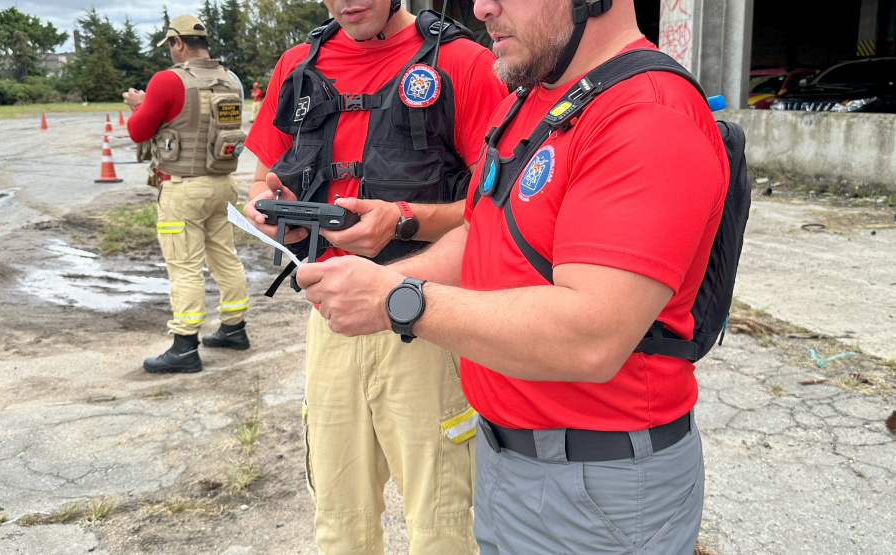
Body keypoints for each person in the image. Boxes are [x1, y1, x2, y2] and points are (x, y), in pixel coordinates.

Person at [292, 0, 729, 553]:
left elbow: (591, 335)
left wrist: (401, 299)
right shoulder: (536, 100)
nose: (482, 7)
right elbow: (481, 235)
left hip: (597, 483)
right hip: (506, 458)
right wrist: (371, 280)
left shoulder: (647, 114)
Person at [242, 0, 507, 552]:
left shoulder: (465, 63)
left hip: (429, 318)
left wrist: (406, 222)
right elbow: (262, 181)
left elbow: (502, 211)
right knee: (338, 519)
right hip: (331, 317)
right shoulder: (298, 65)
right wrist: (276, 213)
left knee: (440, 524)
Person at [124, 14, 251, 374]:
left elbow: (139, 130)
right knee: (225, 257)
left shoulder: (167, 81)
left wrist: (139, 103)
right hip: (223, 183)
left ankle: (184, 346)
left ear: (177, 42)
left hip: (183, 187)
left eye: (169, 45)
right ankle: (233, 328)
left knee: (184, 266)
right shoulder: (231, 79)